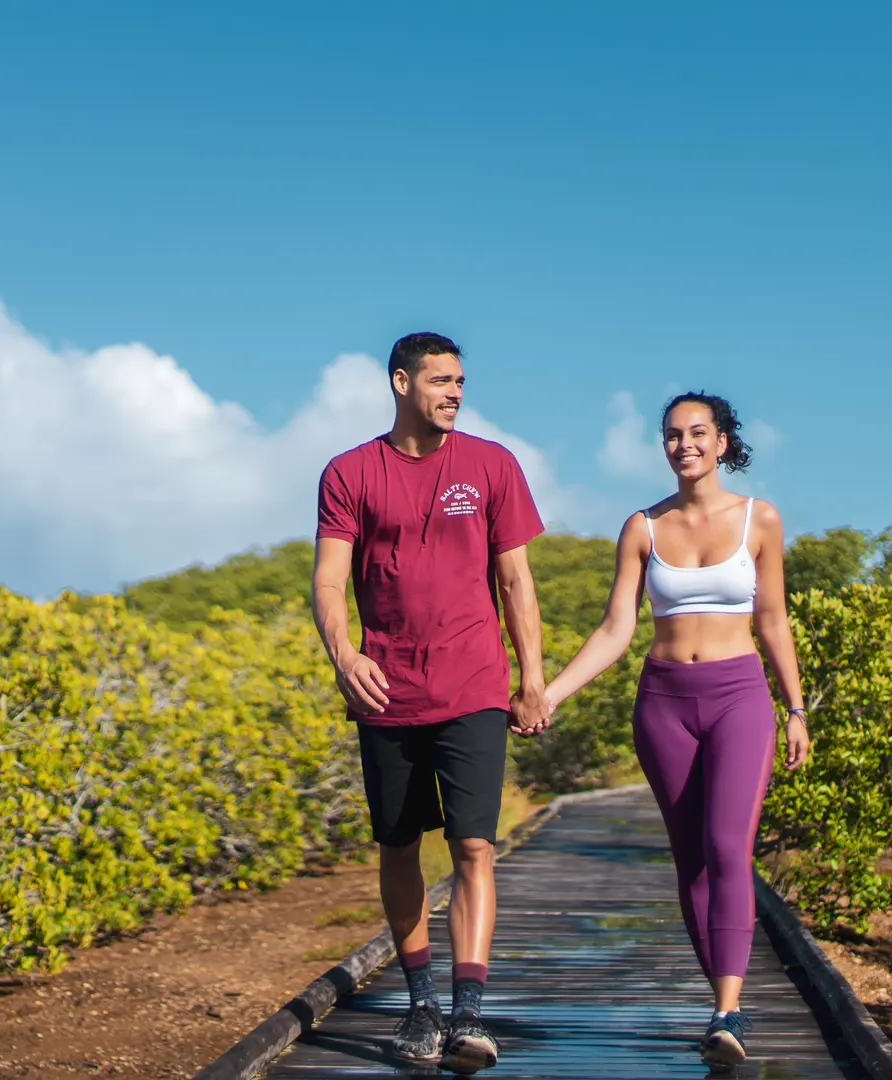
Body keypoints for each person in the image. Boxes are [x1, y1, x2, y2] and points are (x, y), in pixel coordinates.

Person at [536, 391, 811, 1068]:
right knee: (689, 858)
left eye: (696, 433)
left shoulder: (760, 521)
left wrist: (796, 708)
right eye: (671, 435)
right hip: (663, 701)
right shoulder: (642, 527)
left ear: (722, 443)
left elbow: (773, 620)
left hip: (739, 697)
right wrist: (550, 692)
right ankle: (717, 1003)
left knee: (726, 846)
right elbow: (616, 629)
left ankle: (728, 1009)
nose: (682, 444)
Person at [311, 331, 552, 1074]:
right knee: (399, 844)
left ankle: (470, 1013)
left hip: (474, 683)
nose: (454, 392)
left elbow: (516, 582)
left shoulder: (491, 465)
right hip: (386, 689)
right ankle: (421, 1004)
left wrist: (532, 678)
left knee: (475, 845)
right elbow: (328, 580)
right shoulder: (349, 472)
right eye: (441, 380)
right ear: (400, 382)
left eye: (460, 382)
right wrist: (344, 655)